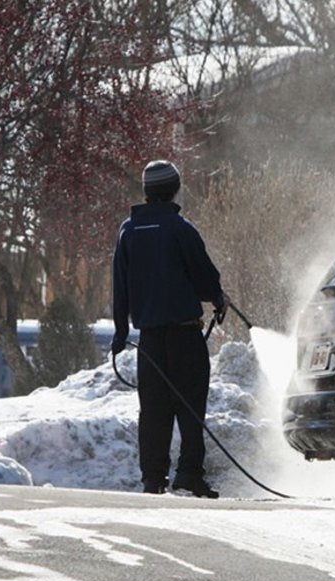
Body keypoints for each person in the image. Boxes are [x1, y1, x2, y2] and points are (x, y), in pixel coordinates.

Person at [110, 160, 228, 498]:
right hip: (185, 335)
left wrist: (120, 334)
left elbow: (120, 287)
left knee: (154, 411)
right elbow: (205, 277)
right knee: (191, 407)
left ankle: (153, 478)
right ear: (174, 189)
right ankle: (189, 474)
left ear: (147, 192)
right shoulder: (181, 229)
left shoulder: (128, 231)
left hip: (148, 341)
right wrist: (218, 298)